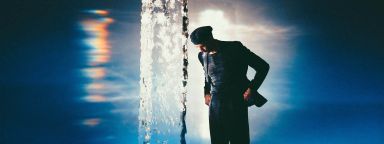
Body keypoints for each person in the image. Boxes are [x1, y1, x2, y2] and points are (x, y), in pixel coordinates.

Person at [190, 26, 270, 144]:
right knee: (218, 141)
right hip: (215, 105)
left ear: (210, 39)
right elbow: (207, 76)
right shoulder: (201, 56)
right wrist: (206, 92)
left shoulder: (235, 48)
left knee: (239, 140)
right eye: (198, 47)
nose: (201, 49)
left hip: (236, 101)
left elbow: (263, 67)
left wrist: (252, 89)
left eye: (203, 45)